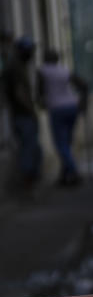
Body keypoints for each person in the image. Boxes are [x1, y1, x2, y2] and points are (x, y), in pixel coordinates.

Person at [36, 49, 87, 186]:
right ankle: (64, 175)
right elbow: (83, 85)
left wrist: (41, 101)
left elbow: (39, 92)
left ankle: (73, 171)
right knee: (66, 143)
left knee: (61, 144)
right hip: (72, 107)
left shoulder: (43, 71)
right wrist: (83, 102)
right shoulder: (64, 70)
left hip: (57, 109)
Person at [2, 36, 41, 188]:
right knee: (28, 147)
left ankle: (30, 178)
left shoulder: (18, 65)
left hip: (22, 113)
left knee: (32, 148)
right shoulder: (15, 67)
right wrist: (30, 110)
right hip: (22, 114)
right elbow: (19, 93)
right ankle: (28, 180)